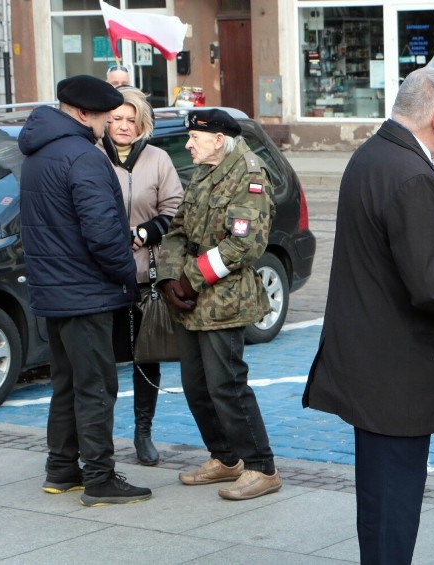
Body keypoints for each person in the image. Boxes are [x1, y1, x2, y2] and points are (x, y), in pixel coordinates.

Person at [302, 68, 434, 564]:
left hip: (373, 361)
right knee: (392, 506)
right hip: (395, 371)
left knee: (380, 502)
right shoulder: (411, 175)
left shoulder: (373, 154)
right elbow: (432, 282)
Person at [19, 75, 152, 506]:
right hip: (87, 291)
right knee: (95, 385)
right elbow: (103, 235)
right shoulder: (84, 157)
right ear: (82, 114)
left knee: (67, 382)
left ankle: (61, 469)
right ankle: (99, 478)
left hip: (54, 290)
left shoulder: (39, 153)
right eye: (103, 117)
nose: (107, 125)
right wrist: (125, 278)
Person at [156, 108, 281, 501]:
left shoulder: (249, 175)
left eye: (194, 137)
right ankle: (225, 458)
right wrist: (169, 277)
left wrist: (190, 278)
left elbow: (245, 244)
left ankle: (261, 466)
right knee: (195, 385)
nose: (188, 144)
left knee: (226, 385)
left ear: (218, 139)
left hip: (224, 299)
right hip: (192, 298)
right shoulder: (205, 172)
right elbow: (177, 230)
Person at [101, 86, 184, 466]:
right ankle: (99, 436)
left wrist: (145, 232)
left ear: (141, 123)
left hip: (143, 277)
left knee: (144, 358)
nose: (122, 126)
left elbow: (175, 208)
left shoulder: (158, 159)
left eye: (130, 119)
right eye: (116, 118)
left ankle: (142, 432)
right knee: (102, 362)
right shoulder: (92, 157)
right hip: (101, 278)